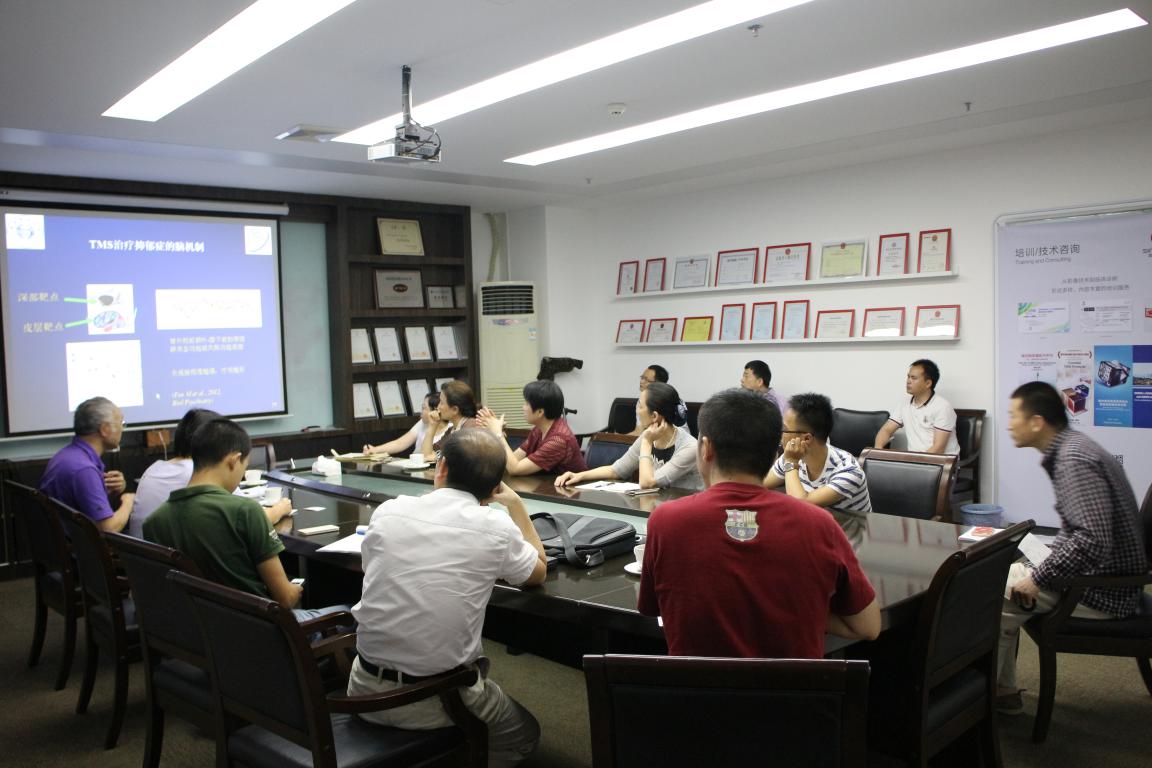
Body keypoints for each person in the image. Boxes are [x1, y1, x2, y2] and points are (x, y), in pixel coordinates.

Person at [348, 429, 546, 767]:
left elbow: (373, 570)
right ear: (495, 487)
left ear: (441, 467)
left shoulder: (389, 511)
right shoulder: (495, 528)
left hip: (362, 690)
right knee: (525, 735)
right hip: (438, 699)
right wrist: (516, 505)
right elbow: (538, 571)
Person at [638, 388, 880, 658]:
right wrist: (797, 608)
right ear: (773, 453)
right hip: (793, 685)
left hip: (698, 685)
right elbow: (868, 627)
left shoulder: (665, 521)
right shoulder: (820, 525)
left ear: (706, 449)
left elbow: (653, 608)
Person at [996, 382, 1146, 715]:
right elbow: (1083, 532)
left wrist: (1038, 578)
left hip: (1103, 590)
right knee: (1004, 572)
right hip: (1100, 573)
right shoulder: (1073, 447)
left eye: (1013, 416)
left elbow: (1091, 539)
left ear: (1037, 422)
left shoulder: (1073, 459)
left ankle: (989, 695)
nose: (1009, 425)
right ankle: (1001, 690)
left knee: (988, 592)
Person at [142, 418, 324, 619]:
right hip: (259, 630)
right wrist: (296, 589)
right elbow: (285, 599)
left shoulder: (154, 522)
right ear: (234, 460)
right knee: (348, 613)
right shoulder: (245, 511)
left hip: (194, 629)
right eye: (244, 466)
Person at [764, 392, 872, 545]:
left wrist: (791, 463)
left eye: (784, 429)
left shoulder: (848, 470)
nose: (780, 434)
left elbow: (800, 504)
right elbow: (760, 485)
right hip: (812, 535)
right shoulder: (791, 457)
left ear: (806, 438)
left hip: (846, 544)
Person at [556, 382, 703, 491]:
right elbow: (617, 470)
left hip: (686, 513)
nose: (637, 410)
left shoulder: (689, 447)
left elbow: (648, 483)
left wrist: (646, 442)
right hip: (659, 508)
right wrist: (579, 476)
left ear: (654, 416)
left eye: (640, 406)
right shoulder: (649, 436)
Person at [39, 396, 134, 532]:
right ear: (105, 429)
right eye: (121, 423)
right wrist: (128, 502)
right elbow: (107, 529)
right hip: (79, 544)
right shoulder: (84, 470)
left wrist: (106, 489)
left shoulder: (68, 456)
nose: (122, 429)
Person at [128, 408, 220, 538]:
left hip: (140, 548)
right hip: (165, 549)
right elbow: (242, 507)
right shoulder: (197, 471)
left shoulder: (155, 467)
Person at [477, 380, 587, 476]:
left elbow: (515, 469)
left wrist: (498, 433)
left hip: (572, 491)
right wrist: (495, 433)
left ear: (540, 412)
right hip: (550, 488)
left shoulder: (559, 440)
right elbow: (511, 461)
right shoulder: (539, 430)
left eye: (526, 403)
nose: (523, 407)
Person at [873, 359, 960, 454]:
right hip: (915, 460)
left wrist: (917, 462)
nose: (908, 381)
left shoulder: (943, 407)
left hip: (942, 460)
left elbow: (938, 448)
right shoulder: (904, 404)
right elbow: (886, 430)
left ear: (928, 383)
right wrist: (878, 450)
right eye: (908, 377)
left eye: (913, 378)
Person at [363, 392, 448, 457]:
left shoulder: (450, 429)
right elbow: (400, 443)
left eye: (424, 408)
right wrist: (375, 450)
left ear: (435, 410)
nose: (421, 412)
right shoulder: (422, 423)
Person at [427, 380, 480, 455]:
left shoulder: (470, 429)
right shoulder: (452, 430)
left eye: (441, 403)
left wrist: (436, 457)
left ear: (455, 410)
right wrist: (432, 426)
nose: (438, 407)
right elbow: (427, 455)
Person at [627, 365, 669, 435]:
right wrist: (617, 438)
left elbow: (664, 433)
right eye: (642, 377)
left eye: (646, 379)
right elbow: (639, 431)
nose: (641, 381)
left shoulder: (669, 401)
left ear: (658, 384)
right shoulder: (641, 401)